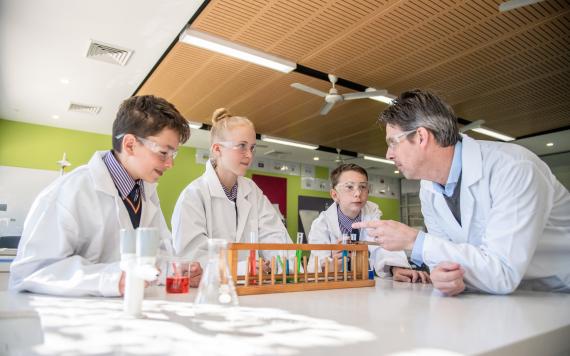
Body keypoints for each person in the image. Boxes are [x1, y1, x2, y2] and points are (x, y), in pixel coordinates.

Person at [353, 89, 570, 296]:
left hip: (557, 292)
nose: (388, 154)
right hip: (501, 298)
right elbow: (446, 257)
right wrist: (444, 276)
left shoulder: (514, 168)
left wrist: (414, 240)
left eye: (393, 142)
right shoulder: (428, 187)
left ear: (421, 137)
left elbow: (503, 271)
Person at [9, 95, 202, 297]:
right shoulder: (70, 191)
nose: (170, 164)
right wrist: (113, 279)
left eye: (173, 155)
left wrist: (175, 270)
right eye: (164, 152)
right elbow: (31, 271)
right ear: (129, 145)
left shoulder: (145, 193)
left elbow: (153, 258)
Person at [172, 108, 291, 269]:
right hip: (209, 290)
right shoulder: (194, 195)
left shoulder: (252, 190)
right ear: (217, 149)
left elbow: (275, 236)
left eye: (252, 147)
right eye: (242, 146)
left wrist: (281, 264)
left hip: (252, 289)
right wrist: (245, 268)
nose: (249, 155)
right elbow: (192, 258)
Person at [308, 163, 430, 283]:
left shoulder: (373, 216)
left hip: (364, 289)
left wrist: (396, 268)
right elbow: (316, 265)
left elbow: (382, 248)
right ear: (335, 195)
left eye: (362, 187)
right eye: (349, 187)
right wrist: (329, 266)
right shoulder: (321, 224)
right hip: (332, 292)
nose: (358, 193)